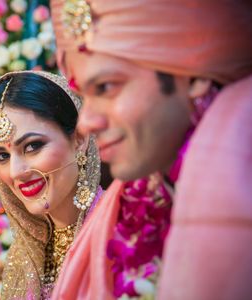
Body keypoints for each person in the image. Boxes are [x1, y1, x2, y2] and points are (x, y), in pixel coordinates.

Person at [49, 0, 252, 299]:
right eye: (83, 95)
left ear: (193, 76)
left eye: (106, 87)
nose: (86, 122)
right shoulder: (124, 206)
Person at [0, 70, 103, 299]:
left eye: (32, 146)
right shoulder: (22, 262)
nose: (17, 172)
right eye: (2, 157)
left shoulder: (118, 230)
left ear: (79, 140)